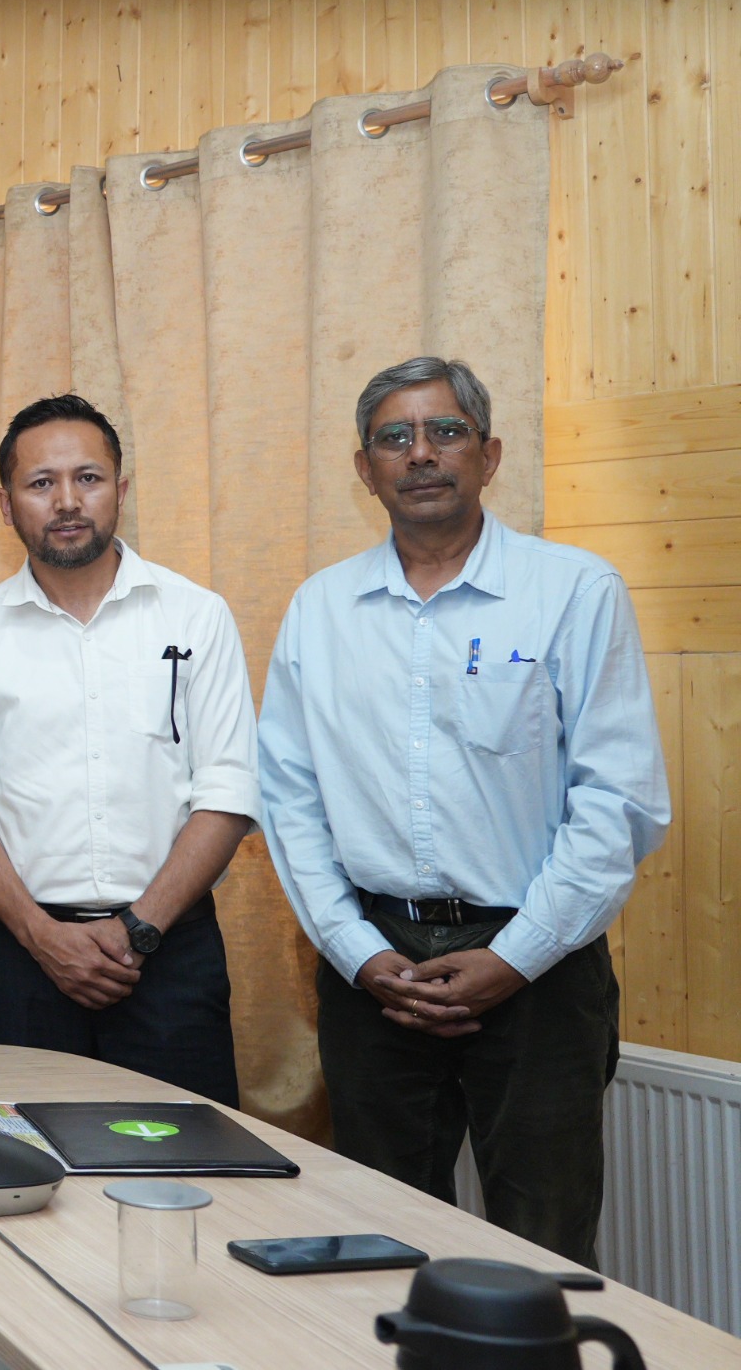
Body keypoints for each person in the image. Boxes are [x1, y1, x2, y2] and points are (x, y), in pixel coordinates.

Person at [260, 357, 670, 1265]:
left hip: (540, 969)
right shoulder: (321, 609)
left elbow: (619, 802)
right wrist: (360, 953)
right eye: (394, 438)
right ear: (364, 469)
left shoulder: (574, 590)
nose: (421, 454)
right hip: (376, 975)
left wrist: (512, 957)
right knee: (381, 1251)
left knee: (544, 1253)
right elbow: (289, 800)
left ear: (489, 455)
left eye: (445, 432)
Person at [0, 397, 259, 1105]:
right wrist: (43, 936)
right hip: (23, 952)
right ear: (6, 503)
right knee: (29, 1169)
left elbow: (227, 793)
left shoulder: (195, 615)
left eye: (89, 477)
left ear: (122, 489)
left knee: (187, 1163)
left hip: (170, 952)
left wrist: (138, 929)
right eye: (41, 482)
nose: (68, 501)